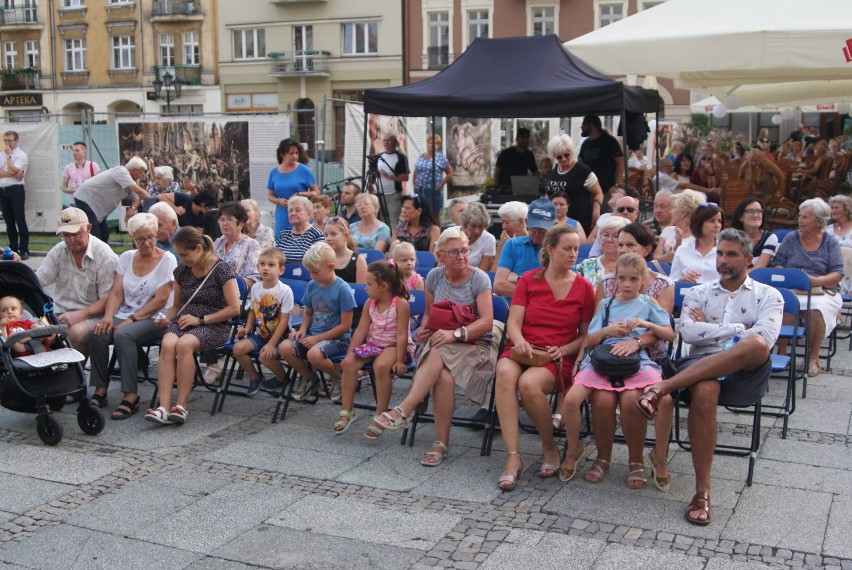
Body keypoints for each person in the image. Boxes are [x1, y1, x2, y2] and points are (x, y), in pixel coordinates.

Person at [636, 229, 783, 526]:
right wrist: (742, 327)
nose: (723, 260)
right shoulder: (698, 292)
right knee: (704, 389)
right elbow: (687, 331)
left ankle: (662, 388)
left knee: (753, 345)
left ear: (748, 259)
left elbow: (764, 338)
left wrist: (726, 331)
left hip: (746, 374)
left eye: (731, 255)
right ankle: (702, 491)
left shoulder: (770, 295)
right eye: (720, 254)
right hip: (700, 369)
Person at [374, 228, 495, 467]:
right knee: (443, 378)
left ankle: (405, 409)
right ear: (440, 255)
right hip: (442, 341)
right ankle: (441, 443)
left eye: (464, 250)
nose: (461, 256)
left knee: (439, 350)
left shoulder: (479, 278)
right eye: (454, 252)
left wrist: (454, 334)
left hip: (473, 342)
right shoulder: (434, 277)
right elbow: (430, 313)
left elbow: (487, 321)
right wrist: (424, 330)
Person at [560, 253, 674, 487]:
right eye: (623, 279)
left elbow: (669, 333)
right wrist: (607, 331)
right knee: (571, 400)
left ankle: (639, 460)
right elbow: (591, 338)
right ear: (616, 280)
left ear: (643, 279)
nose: (628, 284)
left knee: (657, 399)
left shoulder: (648, 303)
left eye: (634, 279)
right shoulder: (607, 303)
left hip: (635, 359)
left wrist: (645, 325)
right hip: (603, 358)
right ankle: (574, 449)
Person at [494, 225, 594, 491]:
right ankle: (513, 458)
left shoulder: (584, 287)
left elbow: (585, 336)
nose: (574, 254)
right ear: (549, 250)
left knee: (528, 384)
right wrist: (521, 341)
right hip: (523, 346)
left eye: (576, 249)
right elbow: (513, 322)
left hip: (557, 355)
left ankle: (549, 447)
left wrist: (565, 350)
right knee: (504, 373)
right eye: (567, 248)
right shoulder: (528, 280)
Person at [146, 228, 240, 425]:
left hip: (214, 323)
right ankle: (163, 407)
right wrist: (165, 317)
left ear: (198, 248)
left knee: (184, 344)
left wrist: (201, 320)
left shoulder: (221, 270)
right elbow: (177, 307)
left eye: (184, 254)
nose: (181, 259)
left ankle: (181, 405)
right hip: (184, 320)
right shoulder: (181, 271)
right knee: (168, 343)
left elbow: (234, 308)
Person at [87, 213, 177, 420]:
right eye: (141, 239)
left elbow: (161, 300)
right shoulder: (126, 257)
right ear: (133, 238)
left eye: (151, 237)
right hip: (126, 312)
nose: (147, 243)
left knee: (123, 335)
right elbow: (117, 292)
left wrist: (131, 319)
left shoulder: (167, 259)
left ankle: (130, 395)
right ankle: (100, 390)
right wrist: (108, 317)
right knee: (98, 333)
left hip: (157, 317)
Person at [265, 242, 357, 402]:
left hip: (337, 340)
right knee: (285, 347)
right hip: (313, 335)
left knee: (314, 354)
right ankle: (309, 377)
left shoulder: (343, 289)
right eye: (309, 272)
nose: (312, 276)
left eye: (315, 272)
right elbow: (308, 311)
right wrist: (303, 329)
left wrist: (316, 339)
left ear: (330, 266)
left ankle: (337, 378)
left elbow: (345, 326)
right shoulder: (313, 285)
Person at [335, 260, 415, 438]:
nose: (365, 288)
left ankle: (380, 415)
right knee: (349, 363)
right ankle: (347, 410)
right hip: (376, 344)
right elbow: (361, 331)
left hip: (396, 346)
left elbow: (402, 334)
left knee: (380, 365)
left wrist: (400, 360)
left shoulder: (400, 304)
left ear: (383, 286)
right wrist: (349, 354)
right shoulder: (370, 303)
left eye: (369, 284)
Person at [773, 198, 844, 377]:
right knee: (786, 305)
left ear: (819, 222)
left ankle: (813, 358)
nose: (800, 220)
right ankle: (781, 353)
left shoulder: (830, 242)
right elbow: (778, 263)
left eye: (805, 217)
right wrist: (787, 278)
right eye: (800, 216)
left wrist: (815, 281)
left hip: (820, 289)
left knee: (816, 310)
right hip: (792, 288)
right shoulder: (791, 238)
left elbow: (837, 273)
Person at [35, 207, 117, 357]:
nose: (70, 240)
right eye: (65, 235)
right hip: (60, 312)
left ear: (88, 228)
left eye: (75, 234)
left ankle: (72, 377)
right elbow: (38, 281)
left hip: (95, 315)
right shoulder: (59, 251)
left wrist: (78, 315)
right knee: (32, 330)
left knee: (76, 334)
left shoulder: (105, 256)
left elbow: (109, 299)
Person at [233, 248, 293, 397]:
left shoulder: (285, 290)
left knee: (264, 356)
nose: (265, 268)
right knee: (238, 349)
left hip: (281, 337)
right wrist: (247, 329)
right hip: (262, 334)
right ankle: (255, 377)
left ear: (281, 270)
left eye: (271, 265)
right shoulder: (255, 287)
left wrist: (272, 344)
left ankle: (282, 378)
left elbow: (284, 321)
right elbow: (253, 311)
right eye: (262, 264)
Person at [72, 157, 150, 244]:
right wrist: (154, 201)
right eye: (140, 173)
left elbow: (137, 199)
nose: (141, 176)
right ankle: (93, 254)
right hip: (85, 199)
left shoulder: (129, 180)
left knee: (104, 233)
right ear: (134, 170)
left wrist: (132, 208)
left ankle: (101, 254)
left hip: (97, 208)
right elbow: (139, 191)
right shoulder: (122, 172)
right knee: (95, 234)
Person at [494, 199, 555, 301]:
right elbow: (499, 285)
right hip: (514, 308)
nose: (537, 232)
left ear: (554, 226)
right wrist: (537, 294)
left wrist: (518, 279)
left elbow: (558, 289)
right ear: (526, 222)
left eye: (543, 229)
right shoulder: (512, 244)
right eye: (534, 227)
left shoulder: (559, 249)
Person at [545, 133, 603, 235]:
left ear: (572, 152)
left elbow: (598, 193)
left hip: (578, 222)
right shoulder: (555, 170)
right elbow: (549, 192)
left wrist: (596, 211)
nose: (563, 159)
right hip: (556, 222)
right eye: (559, 157)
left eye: (567, 155)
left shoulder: (583, 171)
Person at [267, 138, 319, 236]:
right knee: (282, 245)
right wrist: (279, 201)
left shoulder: (304, 170)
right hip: (282, 215)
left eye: (296, 153)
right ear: (282, 154)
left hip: (301, 213)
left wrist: (301, 194)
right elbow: (270, 196)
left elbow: (316, 192)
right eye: (291, 153)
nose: (295, 156)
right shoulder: (274, 172)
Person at [670, 204, 724, 283]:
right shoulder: (682, 250)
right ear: (699, 222)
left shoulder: (725, 250)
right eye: (711, 221)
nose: (717, 225)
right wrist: (683, 279)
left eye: (719, 221)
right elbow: (672, 282)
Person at [575, 216, 630, 290]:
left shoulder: (632, 267)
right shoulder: (585, 265)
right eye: (606, 235)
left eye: (616, 236)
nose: (609, 240)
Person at [654, 190, 706, 264]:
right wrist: (669, 256)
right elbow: (655, 259)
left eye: (674, 207)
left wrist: (677, 249)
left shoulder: (698, 239)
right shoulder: (667, 231)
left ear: (683, 213)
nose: (670, 212)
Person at [578, 115, 624, 199]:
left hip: (607, 191)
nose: (581, 127)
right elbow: (580, 165)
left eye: (584, 124)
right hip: (589, 191)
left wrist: (617, 185)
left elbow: (620, 161)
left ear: (591, 125)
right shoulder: (585, 144)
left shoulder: (610, 141)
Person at [412, 133, 453, 225]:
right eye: (430, 143)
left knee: (434, 215)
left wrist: (441, 185)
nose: (432, 145)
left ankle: (437, 235)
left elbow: (449, 173)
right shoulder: (421, 156)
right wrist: (414, 182)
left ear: (438, 145)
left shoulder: (441, 158)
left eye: (435, 143)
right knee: (420, 213)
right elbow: (416, 170)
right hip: (420, 190)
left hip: (433, 191)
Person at [0, 131, 29, 259]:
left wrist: (9, 157)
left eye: (10, 140)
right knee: (9, 222)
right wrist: (13, 173)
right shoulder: (1, 154)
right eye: (5, 140)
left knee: (20, 220)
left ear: (17, 140)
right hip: (3, 190)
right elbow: (12, 172)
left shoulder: (21, 155)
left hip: (16, 190)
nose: (7, 143)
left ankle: (24, 249)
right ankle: (12, 249)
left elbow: (14, 169)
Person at [275, 195, 325, 265]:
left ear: (308, 214)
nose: (293, 213)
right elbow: (274, 258)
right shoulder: (283, 234)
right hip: (283, 275)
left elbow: (319, 262)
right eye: (290, 211)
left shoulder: (316, 235)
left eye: (297, 210)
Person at [730, 197, 778, 270]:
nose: (756, 215)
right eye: (751, 211)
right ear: (740, 217)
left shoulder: (769, 238)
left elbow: (758, 269)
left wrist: (735, 279)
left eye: (759, 211)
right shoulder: (731, 237)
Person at [374, 132, 410, 226]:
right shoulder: (379, 156)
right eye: (384, 141)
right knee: (381, 220)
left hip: (393, 194)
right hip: (380, 194)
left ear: (395, 142)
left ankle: (395, 239)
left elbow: (405, 177)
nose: (386, 143)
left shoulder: (400, 157)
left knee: (394, 220)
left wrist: (389, 176)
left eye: (388, 141)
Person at [325, 217, 367, 284]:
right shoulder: (323, 258)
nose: (328, 238)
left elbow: (360, 291)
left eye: (333, 234)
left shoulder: (358, 260)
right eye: (326, 235)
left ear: (346, 236)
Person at [491, 201, 528, 272]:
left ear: (521, 221)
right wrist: (501, 246)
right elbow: (493, 275)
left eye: (507, 222)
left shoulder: (532, 242)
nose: (503, 226)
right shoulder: (503, 242)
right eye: (502, 222)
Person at [460, 202, 496, 270]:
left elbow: (482, 273)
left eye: (481, 226)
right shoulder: (451, 233)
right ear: (465, 224)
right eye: (473, 226)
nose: (477, 231)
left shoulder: (488, 239)